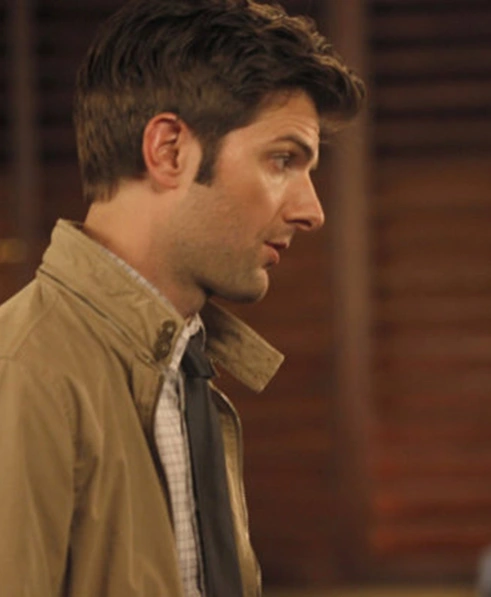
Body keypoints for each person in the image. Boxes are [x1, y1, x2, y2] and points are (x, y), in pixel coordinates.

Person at [0, 0, 364, 595]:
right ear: (169, 150)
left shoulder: (183, 368)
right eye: (282, 160)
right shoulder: (24, 374)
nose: (312, 210)